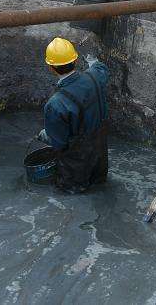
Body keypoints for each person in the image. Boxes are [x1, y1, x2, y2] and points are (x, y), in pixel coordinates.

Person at [34, 37, 109, 194]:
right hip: (99, 154)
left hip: (76, 165)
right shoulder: (94, 77)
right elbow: (101, 68)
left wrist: (44, 135)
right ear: (75, 61)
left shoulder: (55, 104)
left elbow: (59, 143)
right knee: (100, 185)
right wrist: (92, 61)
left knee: (71, 194)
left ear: (51, 68)